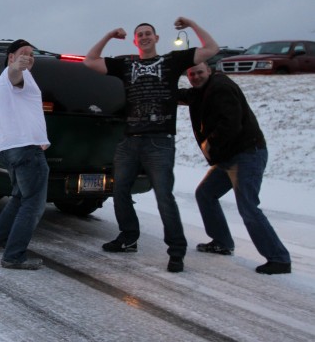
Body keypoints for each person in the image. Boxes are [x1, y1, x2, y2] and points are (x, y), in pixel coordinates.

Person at [83, 18, 219, 273]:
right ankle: (128, 237)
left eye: (148, 34)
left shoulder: (172, 61)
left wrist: (190, 24)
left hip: (160, 141)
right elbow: (90, 61)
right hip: (130, 140)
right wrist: (110, 35)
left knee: (164, 197)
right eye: (140, 35)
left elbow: (212, 48)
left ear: (156, 39)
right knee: (119, 190)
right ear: (136, 41)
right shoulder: (126, 64)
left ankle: (176, 251)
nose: (144, 37)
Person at [177, 62, 291, 274]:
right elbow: (186, 95)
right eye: (191, 74)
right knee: (205, 193)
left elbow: (231, 122)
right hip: (229, 157)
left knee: (248, 206)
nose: (196, 77)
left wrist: (210, 143)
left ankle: (279, 258)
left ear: (210, 71)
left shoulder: (220, 87)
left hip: (247, 154)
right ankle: (221, 241)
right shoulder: (203, 90)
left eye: (200, 72)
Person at [0, 39, 50, 270]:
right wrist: (15, 66)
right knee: (33, 204)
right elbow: (14, 76)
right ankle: (13, 255)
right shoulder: (13, 74)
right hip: (25, 149)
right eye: (23, 53)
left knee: (20, 197)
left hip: (11, 148)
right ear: (11, 57)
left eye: (32, 54)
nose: (29, 57)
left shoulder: (9, 79)